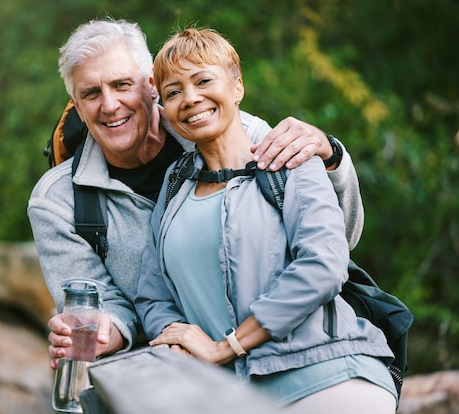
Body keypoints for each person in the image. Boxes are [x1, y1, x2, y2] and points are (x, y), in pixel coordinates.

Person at [27, 18, 364, 371]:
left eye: (121, 84)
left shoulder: (242, 135)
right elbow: (105, 302)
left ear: (151, 86)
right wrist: (107, 330)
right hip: (167, 369)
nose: (109, 105)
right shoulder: (57, 201)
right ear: (76, 105)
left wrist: (332, 159)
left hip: (278, 352)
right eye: (91, 93)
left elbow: (337, 244)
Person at [134, 28, 397, 413]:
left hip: (327, 379)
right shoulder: (175, 186)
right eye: (173, 92)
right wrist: (176, 339)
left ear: (237, 86)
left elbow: (323, 266)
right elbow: (152, 293)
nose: (190, 98)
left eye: (203, 80)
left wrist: (226, 347)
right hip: (233, 398)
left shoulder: (292, 162)